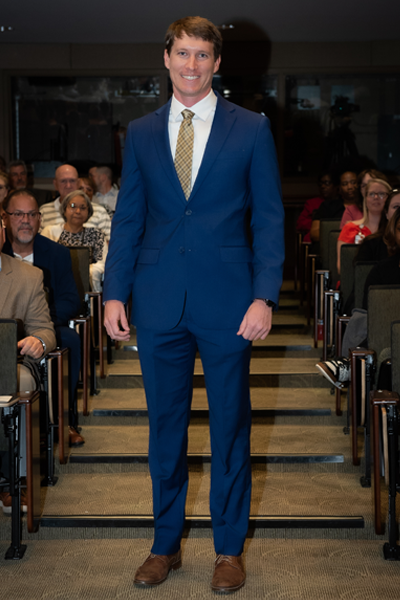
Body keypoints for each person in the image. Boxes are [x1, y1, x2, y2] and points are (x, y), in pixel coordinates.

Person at [103, 16, 284, 593]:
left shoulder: (251, 128)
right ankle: (165, 545)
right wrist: (114, 292)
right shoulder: (142, 131)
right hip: (158, 304)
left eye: (202, 55)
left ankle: (228, 551)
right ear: (166, 57)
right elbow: (130, 217)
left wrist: (264, 295)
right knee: (164, 431)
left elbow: (270, 218)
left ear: (216, 63)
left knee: (231, 429)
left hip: (230, 303)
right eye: (182, 53)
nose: (191, 64)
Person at [1, 189, 84, 446]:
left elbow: (72, 300)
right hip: (7, 332)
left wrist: (37, 321)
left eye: (32, 214)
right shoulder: (1, 248)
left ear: (40, 219)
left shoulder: (57, 253)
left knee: (69, 339)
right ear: (5, 219)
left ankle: (63, 419)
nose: (26, 220)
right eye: (18, 214)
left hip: (47, 323)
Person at [0, 222, 56, 512]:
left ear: (3, 230)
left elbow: (45, 329)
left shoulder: (28, 275)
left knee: (20, 382)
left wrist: (38, 341)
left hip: (10, 363)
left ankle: (14, 482)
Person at [316, 206, 400, 388]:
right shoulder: (382, 270)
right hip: (388, 335)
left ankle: (349, 362)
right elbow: (372, 317)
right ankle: (352, 359)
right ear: (394, 232)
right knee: (369, 326)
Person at [41, 190, 107, 293]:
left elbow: (102, 263)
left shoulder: (96, 234)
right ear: (64, 209)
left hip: (88, 289)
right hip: (57, 287)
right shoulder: (50, 232)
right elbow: (43, 261)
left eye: (83, 208)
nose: (78, 211)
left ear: (88, 212)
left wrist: (84, 272)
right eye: (72, 206)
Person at [40, 164, 112, 242]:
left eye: (72, 181)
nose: (68, 185)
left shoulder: (100, 212)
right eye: (63, 181)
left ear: (78, 183)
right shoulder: (43, 211)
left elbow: (110, 245)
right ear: (55, 184)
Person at [337, 178, 392, 273]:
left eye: (381, 194)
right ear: (365, 199)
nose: (376, 197)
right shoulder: (350, 228)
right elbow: (341, 267)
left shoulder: (395, 230)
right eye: (371, 194)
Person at [309, 169, 355, 243]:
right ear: (339, 188)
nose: (350, 187)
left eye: (353, 183)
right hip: (331, 248)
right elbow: (314, 234)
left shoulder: (366, 207)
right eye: (345, 184)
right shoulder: (327, 206)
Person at [296, 171, 338, 243]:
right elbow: (300, 224)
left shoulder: (343, 203)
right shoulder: (311, 203)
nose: (323, 186)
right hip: (315, 240)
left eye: (327, 183)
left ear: (336, 186)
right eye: (320, 184)